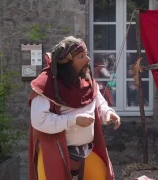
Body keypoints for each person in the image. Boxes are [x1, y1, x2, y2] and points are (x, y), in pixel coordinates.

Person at [27, 36, 121, 180]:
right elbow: (39, 120)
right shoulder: (45, 85)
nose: (88, 60)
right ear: (67, 62)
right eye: (81, 56)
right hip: (53, 153)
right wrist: (74, 120)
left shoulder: (85, 79)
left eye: (87, 55)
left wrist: (107, 112)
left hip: (87, 151)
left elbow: (96, 100)